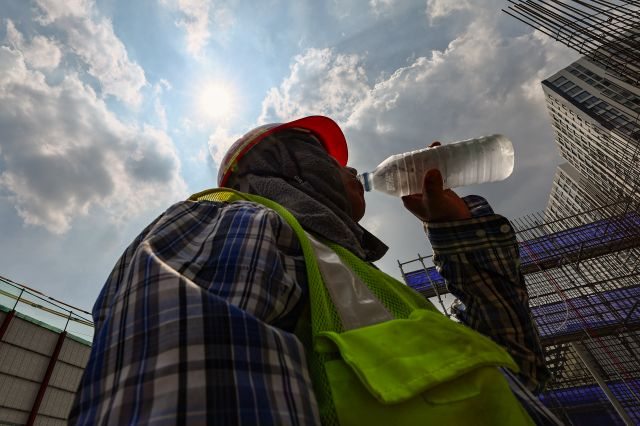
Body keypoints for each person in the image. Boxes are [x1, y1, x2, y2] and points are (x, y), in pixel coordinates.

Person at [70, 116, 559, 425]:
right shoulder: (229, 221)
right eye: (325, 156)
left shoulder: (360, 280)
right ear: (289, 165)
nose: (348, 170)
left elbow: (521, 376)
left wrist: (461, 237)